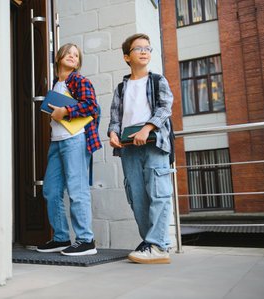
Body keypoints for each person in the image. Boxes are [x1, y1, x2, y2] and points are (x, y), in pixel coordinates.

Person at [108, 33, 174, 264]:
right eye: (138, 48)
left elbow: (166, 108)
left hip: (153, 143)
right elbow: (115, 116)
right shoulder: (121, 87)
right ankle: (150, 242)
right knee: (137, 196)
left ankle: (158, 245)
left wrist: (147, 129)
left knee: (158, 192)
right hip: (128, 148)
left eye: (148, 48)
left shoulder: (158, 81)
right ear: (127, 56)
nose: (145, 51)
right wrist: (113, 134)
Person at [36, 43, 101, 256]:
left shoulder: (79, 81)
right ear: (59, 57)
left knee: (77, 189)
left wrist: (66, 110)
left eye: (76, 55)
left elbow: (92, 106)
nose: (72, 56)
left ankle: (86, 240)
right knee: (51, 190)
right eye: (68, 53)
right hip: (57, 141)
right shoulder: (55, 84)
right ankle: (61, 238)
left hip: (75, 140)